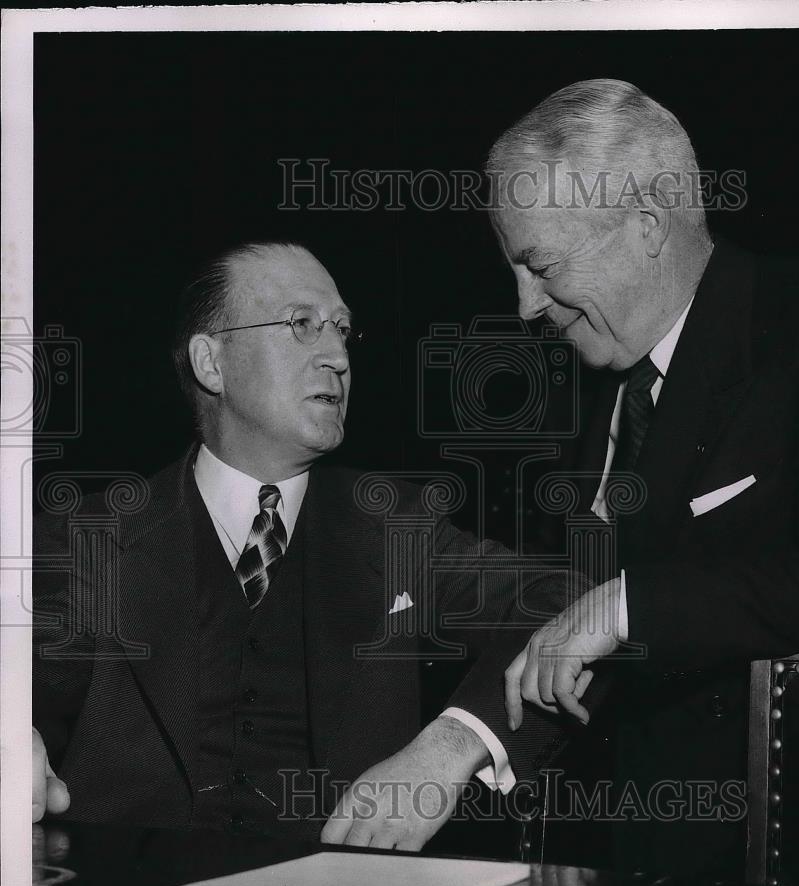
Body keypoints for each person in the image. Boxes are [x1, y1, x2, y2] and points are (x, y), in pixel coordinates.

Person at [31, 239, 584, 851]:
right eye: (302, 325)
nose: (338, 356)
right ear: (210, 363)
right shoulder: (90, 540)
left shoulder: (398, 528)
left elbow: (571, 601)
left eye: (343, 331)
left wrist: (449, 745)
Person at [484, 79, 799, 876]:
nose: (525, 305)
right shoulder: (605, 390)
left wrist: (629, 604)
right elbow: (565, 615)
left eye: (542, 264)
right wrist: (462, 740)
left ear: (646, 226)